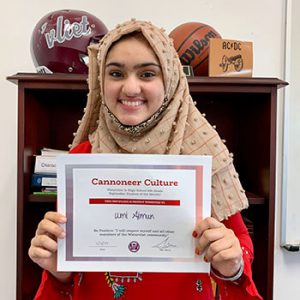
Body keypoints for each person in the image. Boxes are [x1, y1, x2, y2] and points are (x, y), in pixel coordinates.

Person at [28, 19, 262, 300]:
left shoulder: (202, 157)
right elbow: (72, 270)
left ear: (170, 80)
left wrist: (232, 264)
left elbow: (240, 247)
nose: (130, 88)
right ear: (101, 82)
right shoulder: (83, 159)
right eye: (115, 73)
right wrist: (58, 268)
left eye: (147, 74)